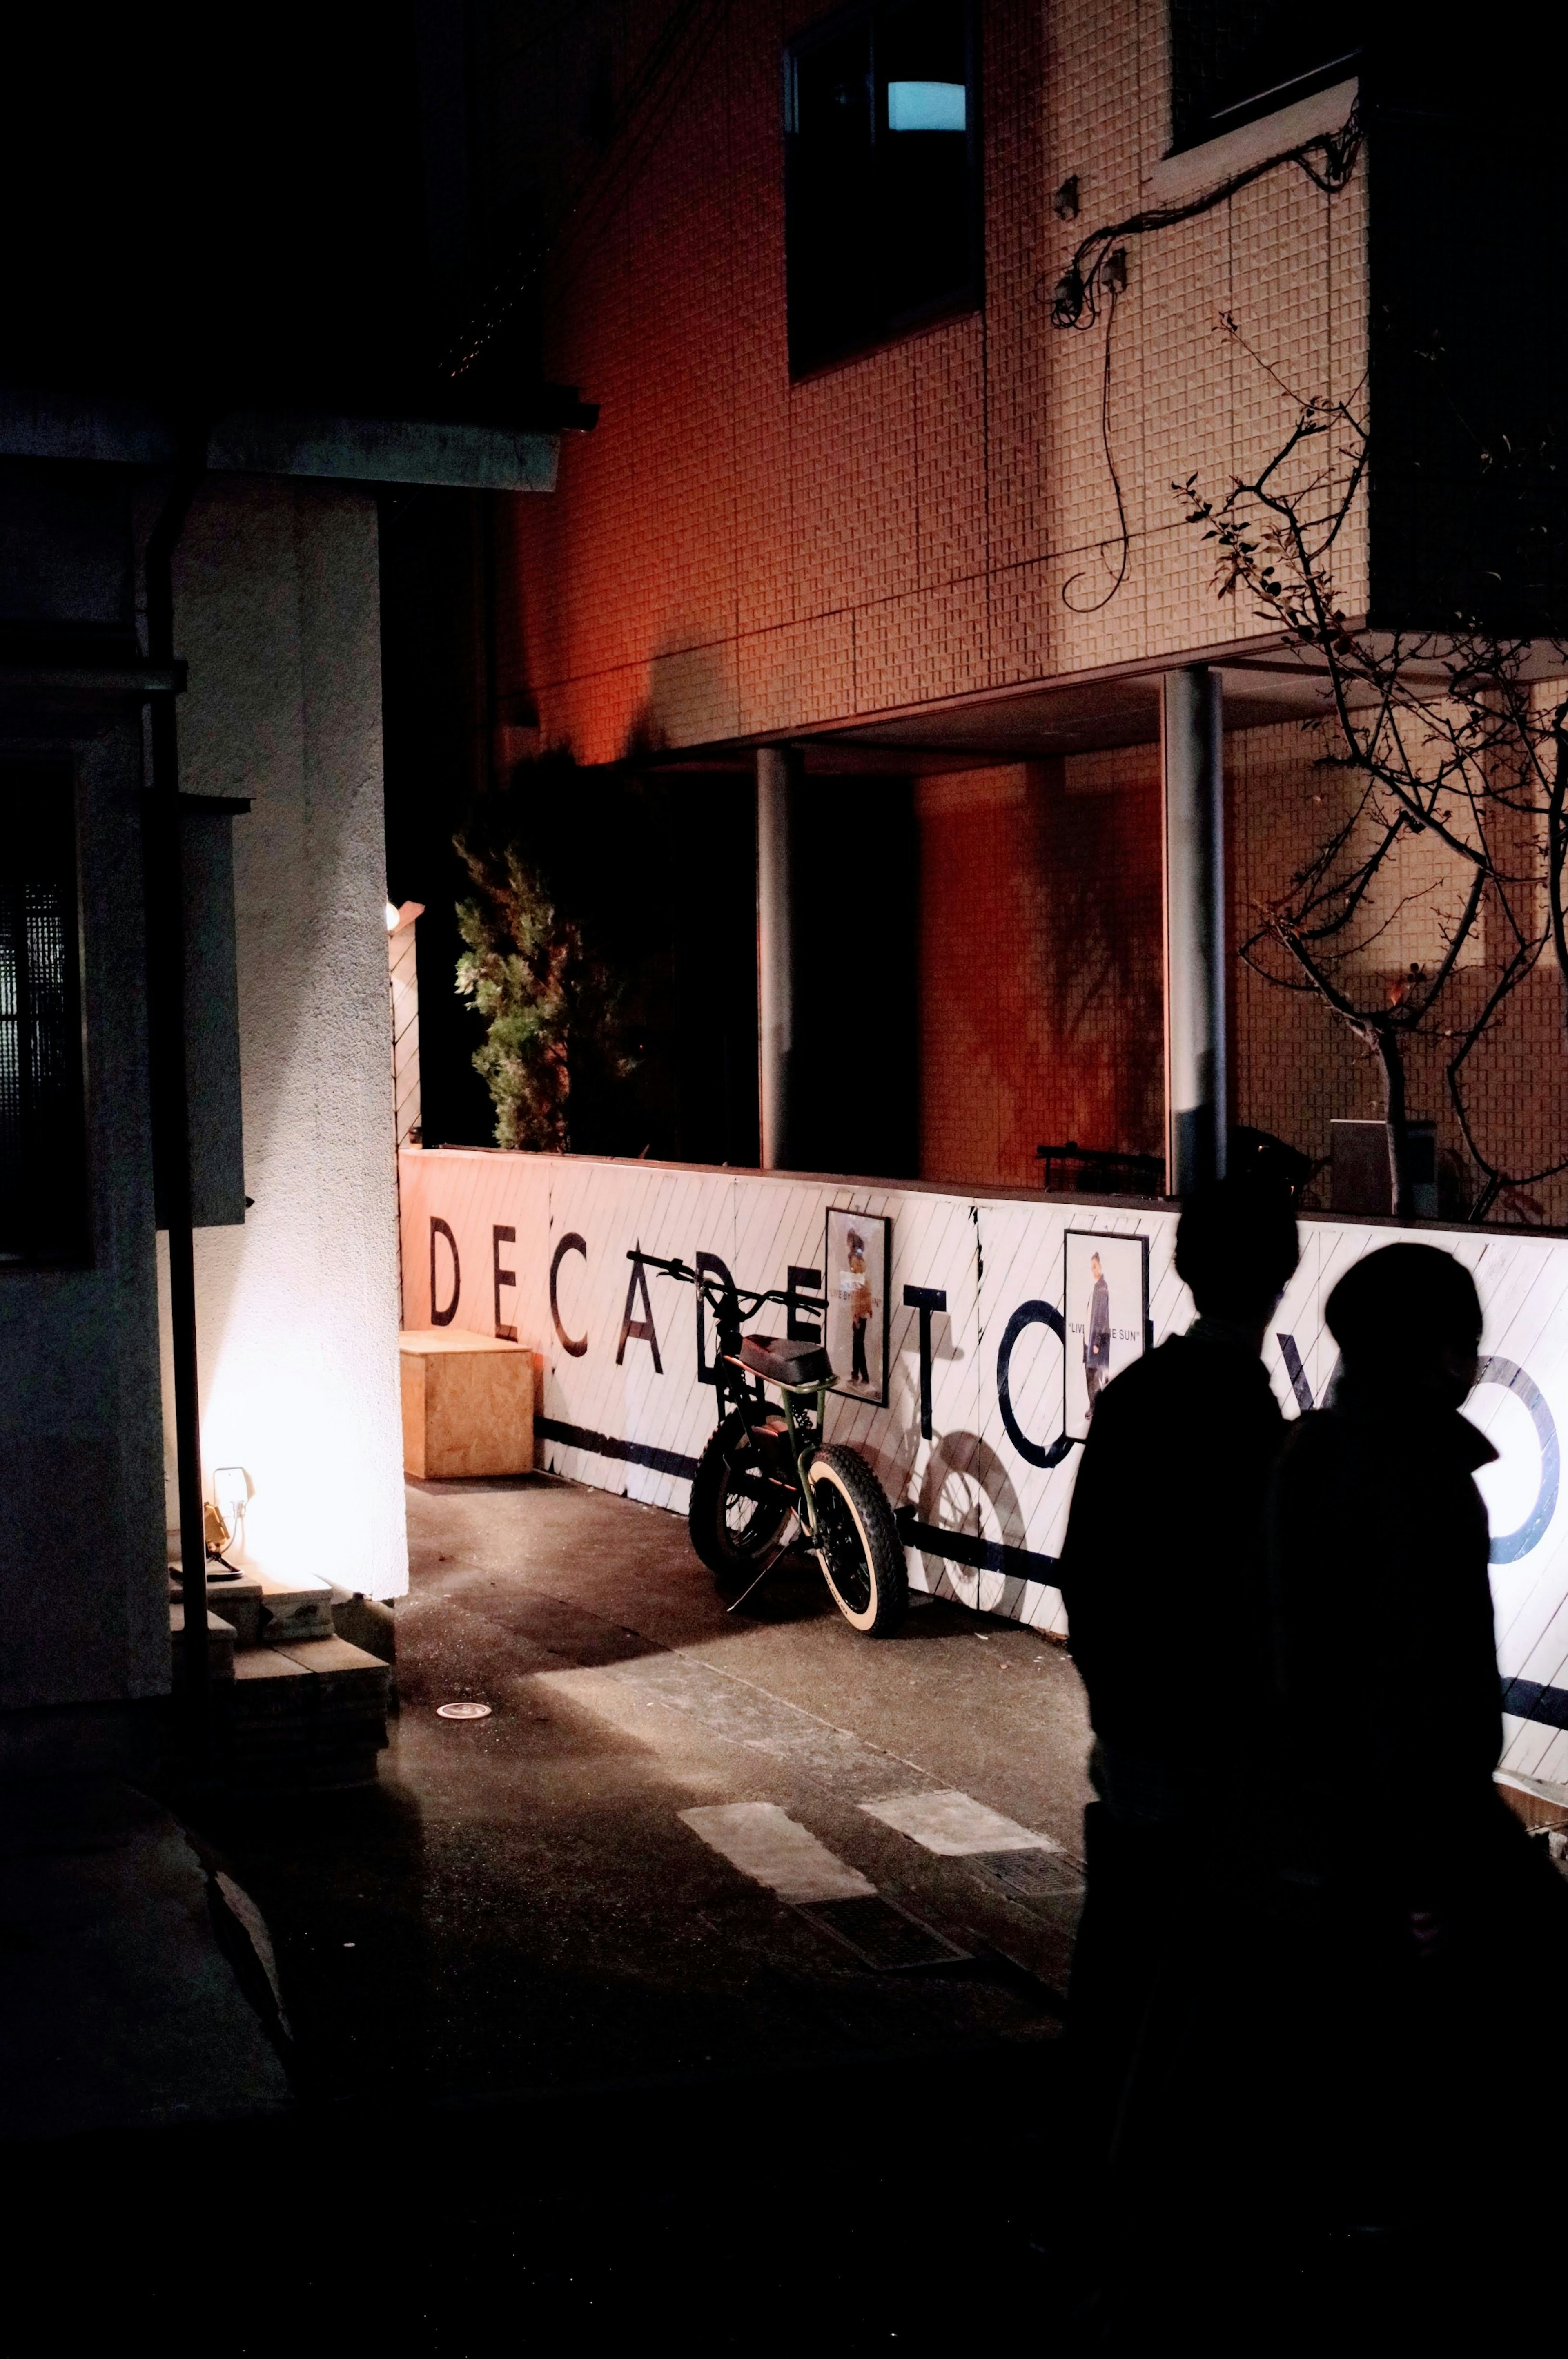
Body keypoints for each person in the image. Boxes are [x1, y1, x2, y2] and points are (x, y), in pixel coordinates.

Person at [1268, 1242, 1568, 2227]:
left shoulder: (1304, 1454)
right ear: (1437, 1356)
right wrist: (1431, 1869)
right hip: (1404, 1834)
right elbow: (1410, 1693)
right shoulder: (1424, 1482)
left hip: (1313, 1821)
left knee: (1346, 2073)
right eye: (1462, 1343)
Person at [1057, 1177, 1301, 2226]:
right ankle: (1159, 2225)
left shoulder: (1133, 1400)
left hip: (1137, 1739)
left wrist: (1117, 1704)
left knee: (1117, 1978)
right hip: (1227, 1758)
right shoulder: (1261, 1426)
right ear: (1281, 1278)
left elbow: (1085, 1574)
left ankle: (1081, 2200)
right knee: (1212, 2000)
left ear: (1184, 1268)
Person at [839, 1230, 873, 1387]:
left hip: (860, 1309)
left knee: (857, 1344)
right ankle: (862, 1375)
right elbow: (865, 1286)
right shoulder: (861, 1261)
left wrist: (856, 1313)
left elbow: (857, 1289)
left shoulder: (854, 1261)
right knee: (859, 1343)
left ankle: (858, 1375)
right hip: (863, 1308)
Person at [1084, 1250, 1111, 1415]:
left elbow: (1101, 1317)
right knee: (1091, 1374)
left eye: (1095, 1266)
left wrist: (1096, 1343)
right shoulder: (1096, 1287)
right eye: (1091, 1267)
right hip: (1090, 1339)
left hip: (1095, 1340)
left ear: (1101, 1266)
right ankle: (1094, 1406)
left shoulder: (1102, 1288)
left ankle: (1096, 1407)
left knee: (1093, 1375)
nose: (1093, 1270)